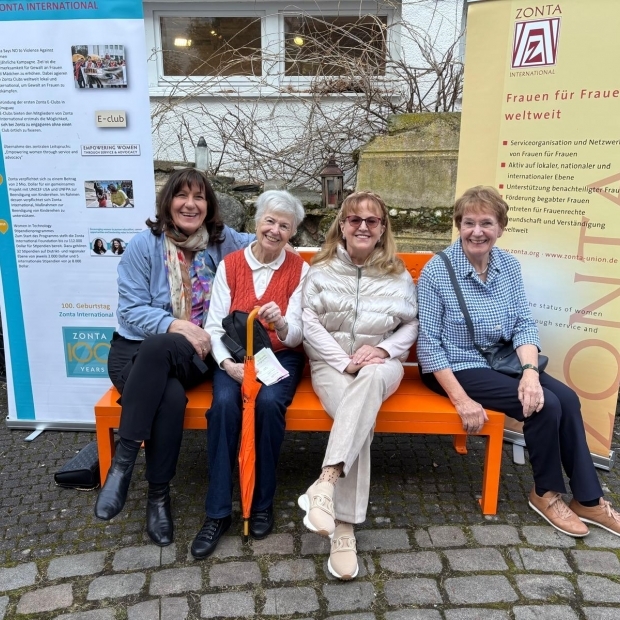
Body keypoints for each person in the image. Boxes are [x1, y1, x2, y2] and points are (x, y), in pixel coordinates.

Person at [417, 185, 620, 538]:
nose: (476, 231)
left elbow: (523, 323)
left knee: (567, 398)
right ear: (458, 225)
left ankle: (588, 500)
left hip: (501, 360)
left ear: (500, 227)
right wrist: (461, 399)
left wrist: (529, 372)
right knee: (544, 405)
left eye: (486, 223)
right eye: (468, 223)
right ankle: (545, 493)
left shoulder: (508, 265)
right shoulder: (438, 270)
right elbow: (429, 344)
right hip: (452, 367)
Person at [94, 168, 254, 546]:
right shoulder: (142, 246)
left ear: (209, 206)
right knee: (166, 393)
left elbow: (266, 236)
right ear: (168, 202)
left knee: (161, 351)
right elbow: (131, 310)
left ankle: (123, 464)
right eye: (182, 196)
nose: (190, 204)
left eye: (199, 197)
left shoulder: (224, 242)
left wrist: (292, 243)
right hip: (133, 353)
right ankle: (157, 497)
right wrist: (176, 325)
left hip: (192, 355)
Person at [297, 191, 418, 580]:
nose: (363, 226)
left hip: (383, 367)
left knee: (368, 383)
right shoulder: (321, 269)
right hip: (332, 365)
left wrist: (381, 350)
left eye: (372, 221)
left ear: (383, 229)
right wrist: (342, 360)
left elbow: (410, 324)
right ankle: (344, 528)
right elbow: (308, 322)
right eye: (354, 220)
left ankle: (325, 485)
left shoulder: (397, 273)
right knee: (359, 419)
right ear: (342, 226)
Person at [191, 190, 308, 559]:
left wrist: (282, 322)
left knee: (269, 404)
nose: (275, 230)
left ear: (292, 233)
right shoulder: (231, 265)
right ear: (256, 222)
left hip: (279, 358)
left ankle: (260, 502)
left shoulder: (300, 269)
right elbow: (213, 326)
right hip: (236, 357)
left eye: (284, 226)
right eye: (269, 221)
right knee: (225, 404)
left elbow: (299, 336)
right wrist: (229, 366)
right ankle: (217, 512)